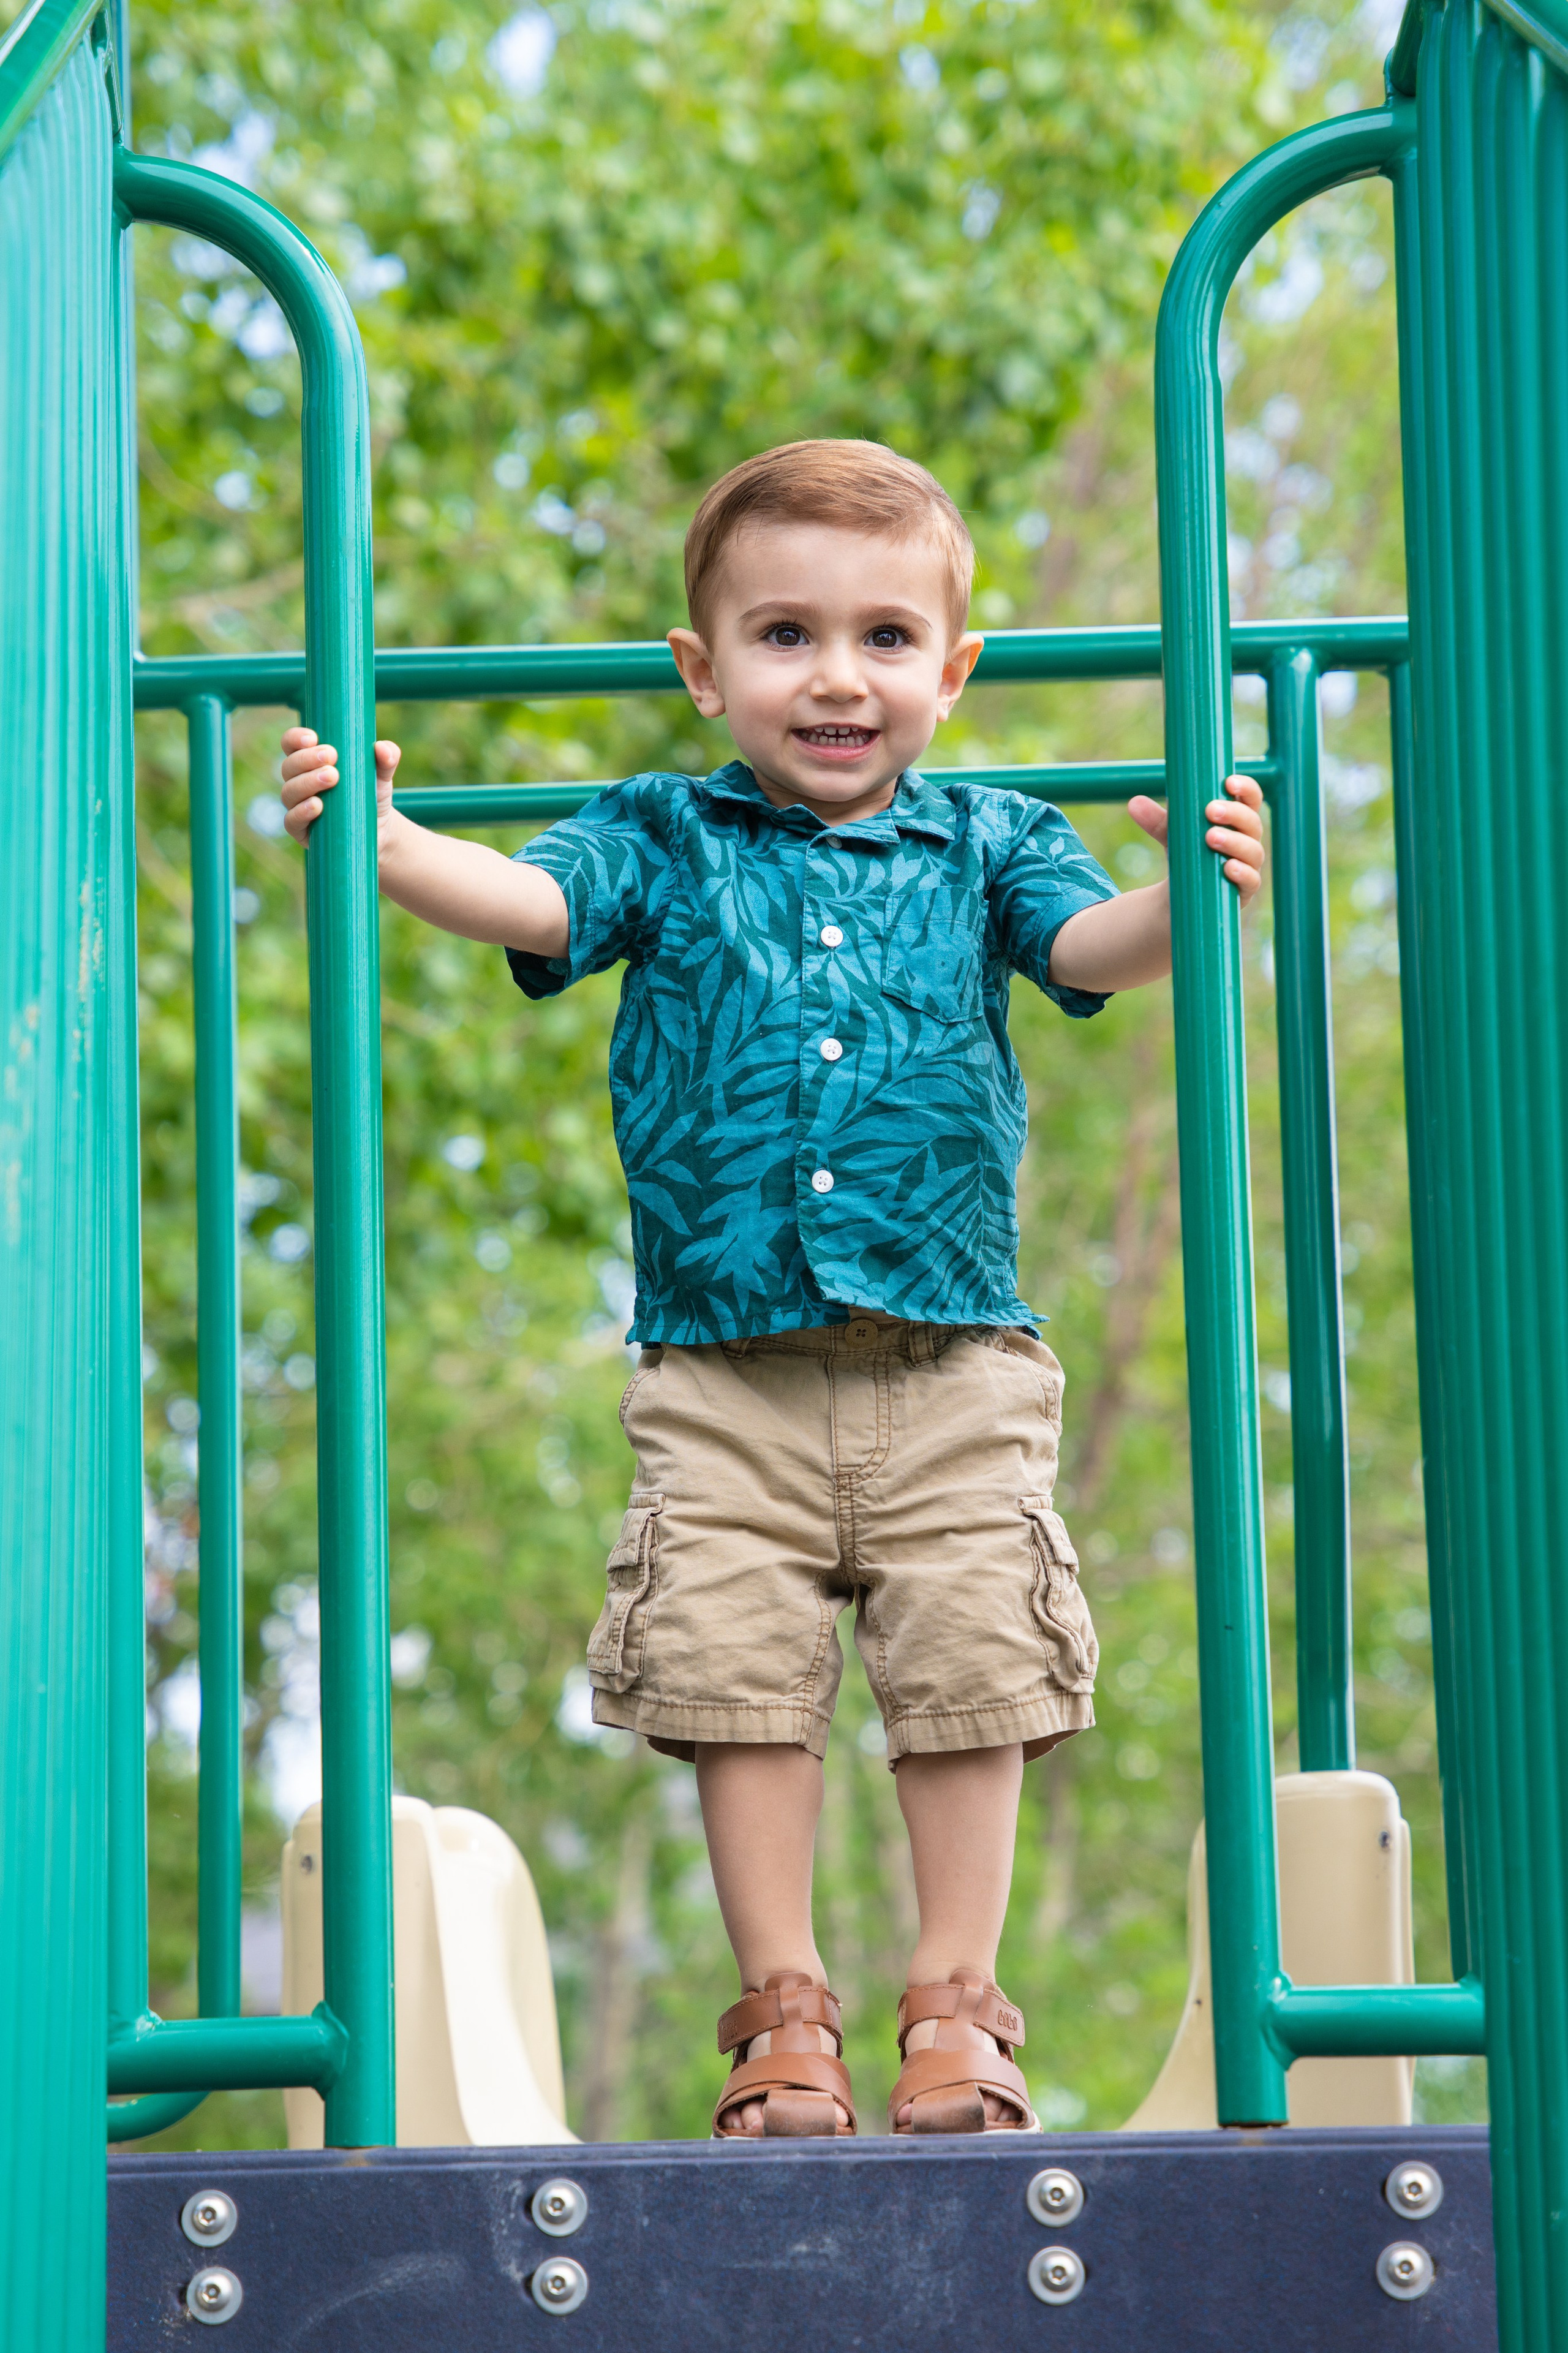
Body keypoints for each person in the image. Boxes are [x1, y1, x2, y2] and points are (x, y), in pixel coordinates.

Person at [280, 438, 1265, 2139]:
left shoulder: (990, 841)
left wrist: (1193, 892)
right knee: (737, 1676)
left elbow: (1088, 949)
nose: (838, 677)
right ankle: (782, 2010)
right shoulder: (659, 835)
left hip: (954, 1361)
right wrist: (386, 840)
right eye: (786, 634)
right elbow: (533, 898)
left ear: (953, 672)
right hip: (722, 1373)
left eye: (887, 638)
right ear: (704, 668)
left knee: (972, 1671)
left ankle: (960, 2007)